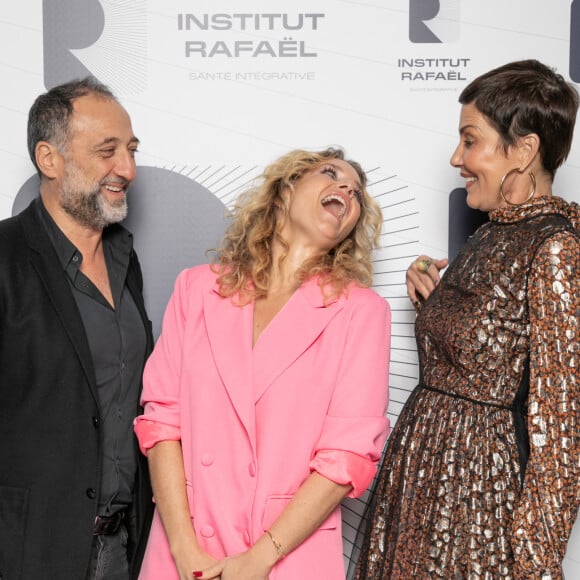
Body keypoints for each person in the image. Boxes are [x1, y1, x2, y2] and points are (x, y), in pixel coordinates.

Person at [352, 59, 579, 579]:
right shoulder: (488, 234)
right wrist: (432, 300)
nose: (457, 157)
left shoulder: (557, 248)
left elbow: (561, 431)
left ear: (524, 150)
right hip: (425, 484)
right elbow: (486, 349)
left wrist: (536, 567)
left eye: (470, 140)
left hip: (478, 503)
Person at [134, 147, 391, 580]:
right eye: (330, 174)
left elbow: (346, 457)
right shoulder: (197, 289)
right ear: (284, 192)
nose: (347, 189)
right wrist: (184, 549)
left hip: (286, 558)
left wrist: (260, 558)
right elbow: (162, 422)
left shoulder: (362, 312)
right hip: (184, 550)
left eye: (357, 192)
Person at [0, 78, 154, 579]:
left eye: (130, 150)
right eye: (107, 151)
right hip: (26, 552)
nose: (127, 169)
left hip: (121, 549)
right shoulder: (4, 257)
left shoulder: (125, 263)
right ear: (49, 159)